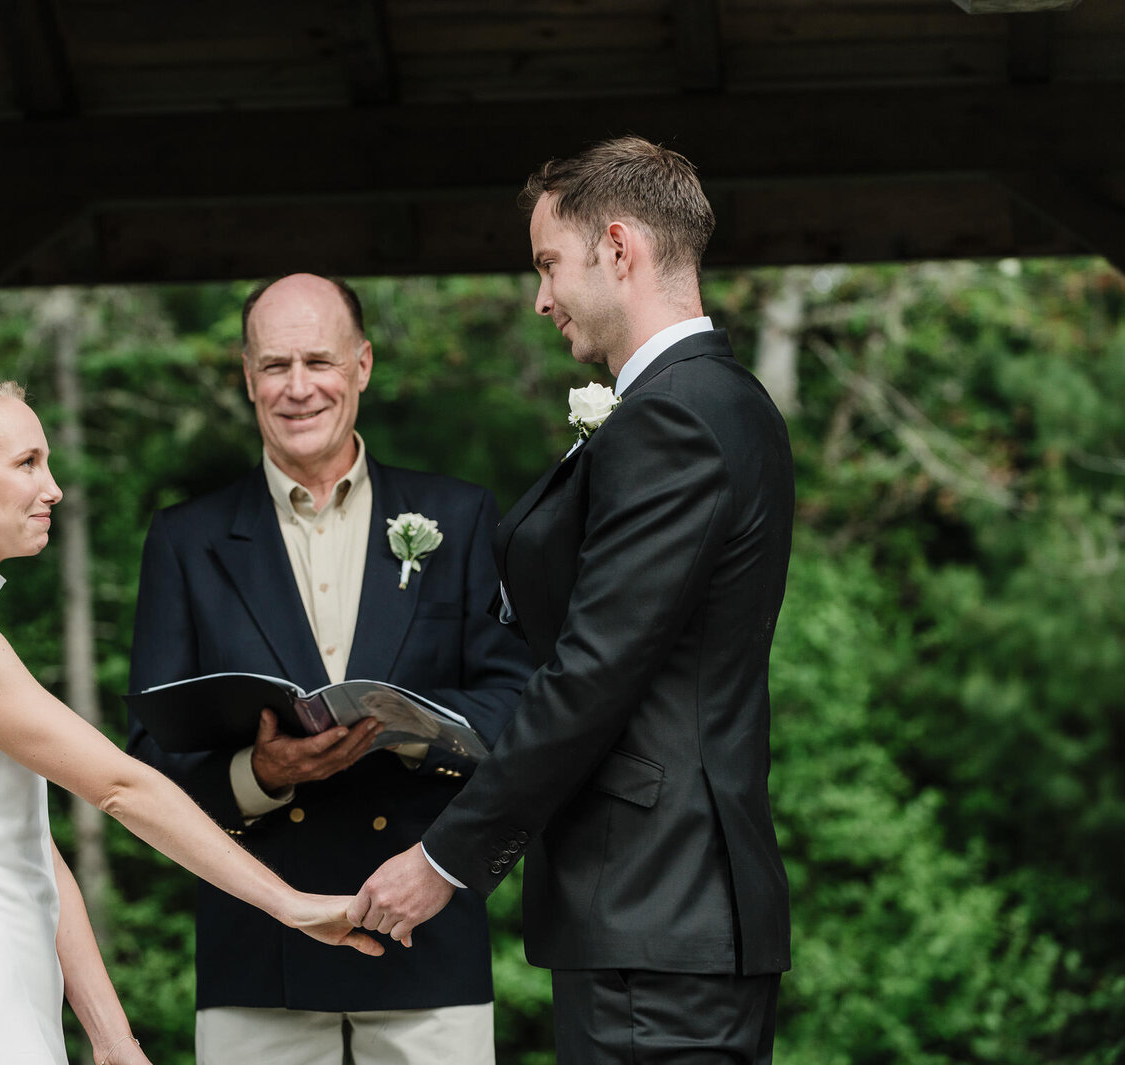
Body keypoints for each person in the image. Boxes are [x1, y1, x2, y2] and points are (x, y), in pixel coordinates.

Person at [0, 370, 381, 1065]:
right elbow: (122, 786)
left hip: (2, 1006)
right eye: (27, 463)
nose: (53, 487)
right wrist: (289, 903)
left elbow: (35, 855)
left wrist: (114, 1041)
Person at [351, 137, 796, 1063]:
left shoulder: (674, 416)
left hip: (654, 909)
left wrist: (443, 859)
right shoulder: (721, 400)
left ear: (619, 249)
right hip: (670, 914)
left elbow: (596, 669)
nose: (540, 297)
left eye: (549, 264)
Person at [127, 274, 533, 1065]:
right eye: (275, 365)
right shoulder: (186, 539)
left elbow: (517, 702)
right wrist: (261, 771)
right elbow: (145, 758)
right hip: (258, 947)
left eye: (320, 360)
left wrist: (406, 730)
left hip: (427, 934)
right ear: (248, 379)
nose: (299, 386)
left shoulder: (459, 515)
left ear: (363, 366)